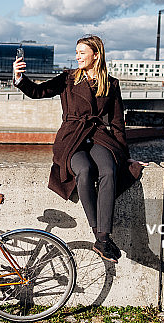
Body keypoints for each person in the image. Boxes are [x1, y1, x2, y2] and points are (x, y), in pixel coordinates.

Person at [13, 35, 144, 263]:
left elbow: (117, 123)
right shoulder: (68, 78)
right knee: (83, 170)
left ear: (96, 54)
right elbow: (38, 92)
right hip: (72, 137)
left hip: (99, 137)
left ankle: (103, 238)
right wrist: (19, 78)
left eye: (82, 53)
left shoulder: (111, 84)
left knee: (109, 170)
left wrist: (126, 158)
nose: (77, 57)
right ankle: (101, 236)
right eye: (76, 53)